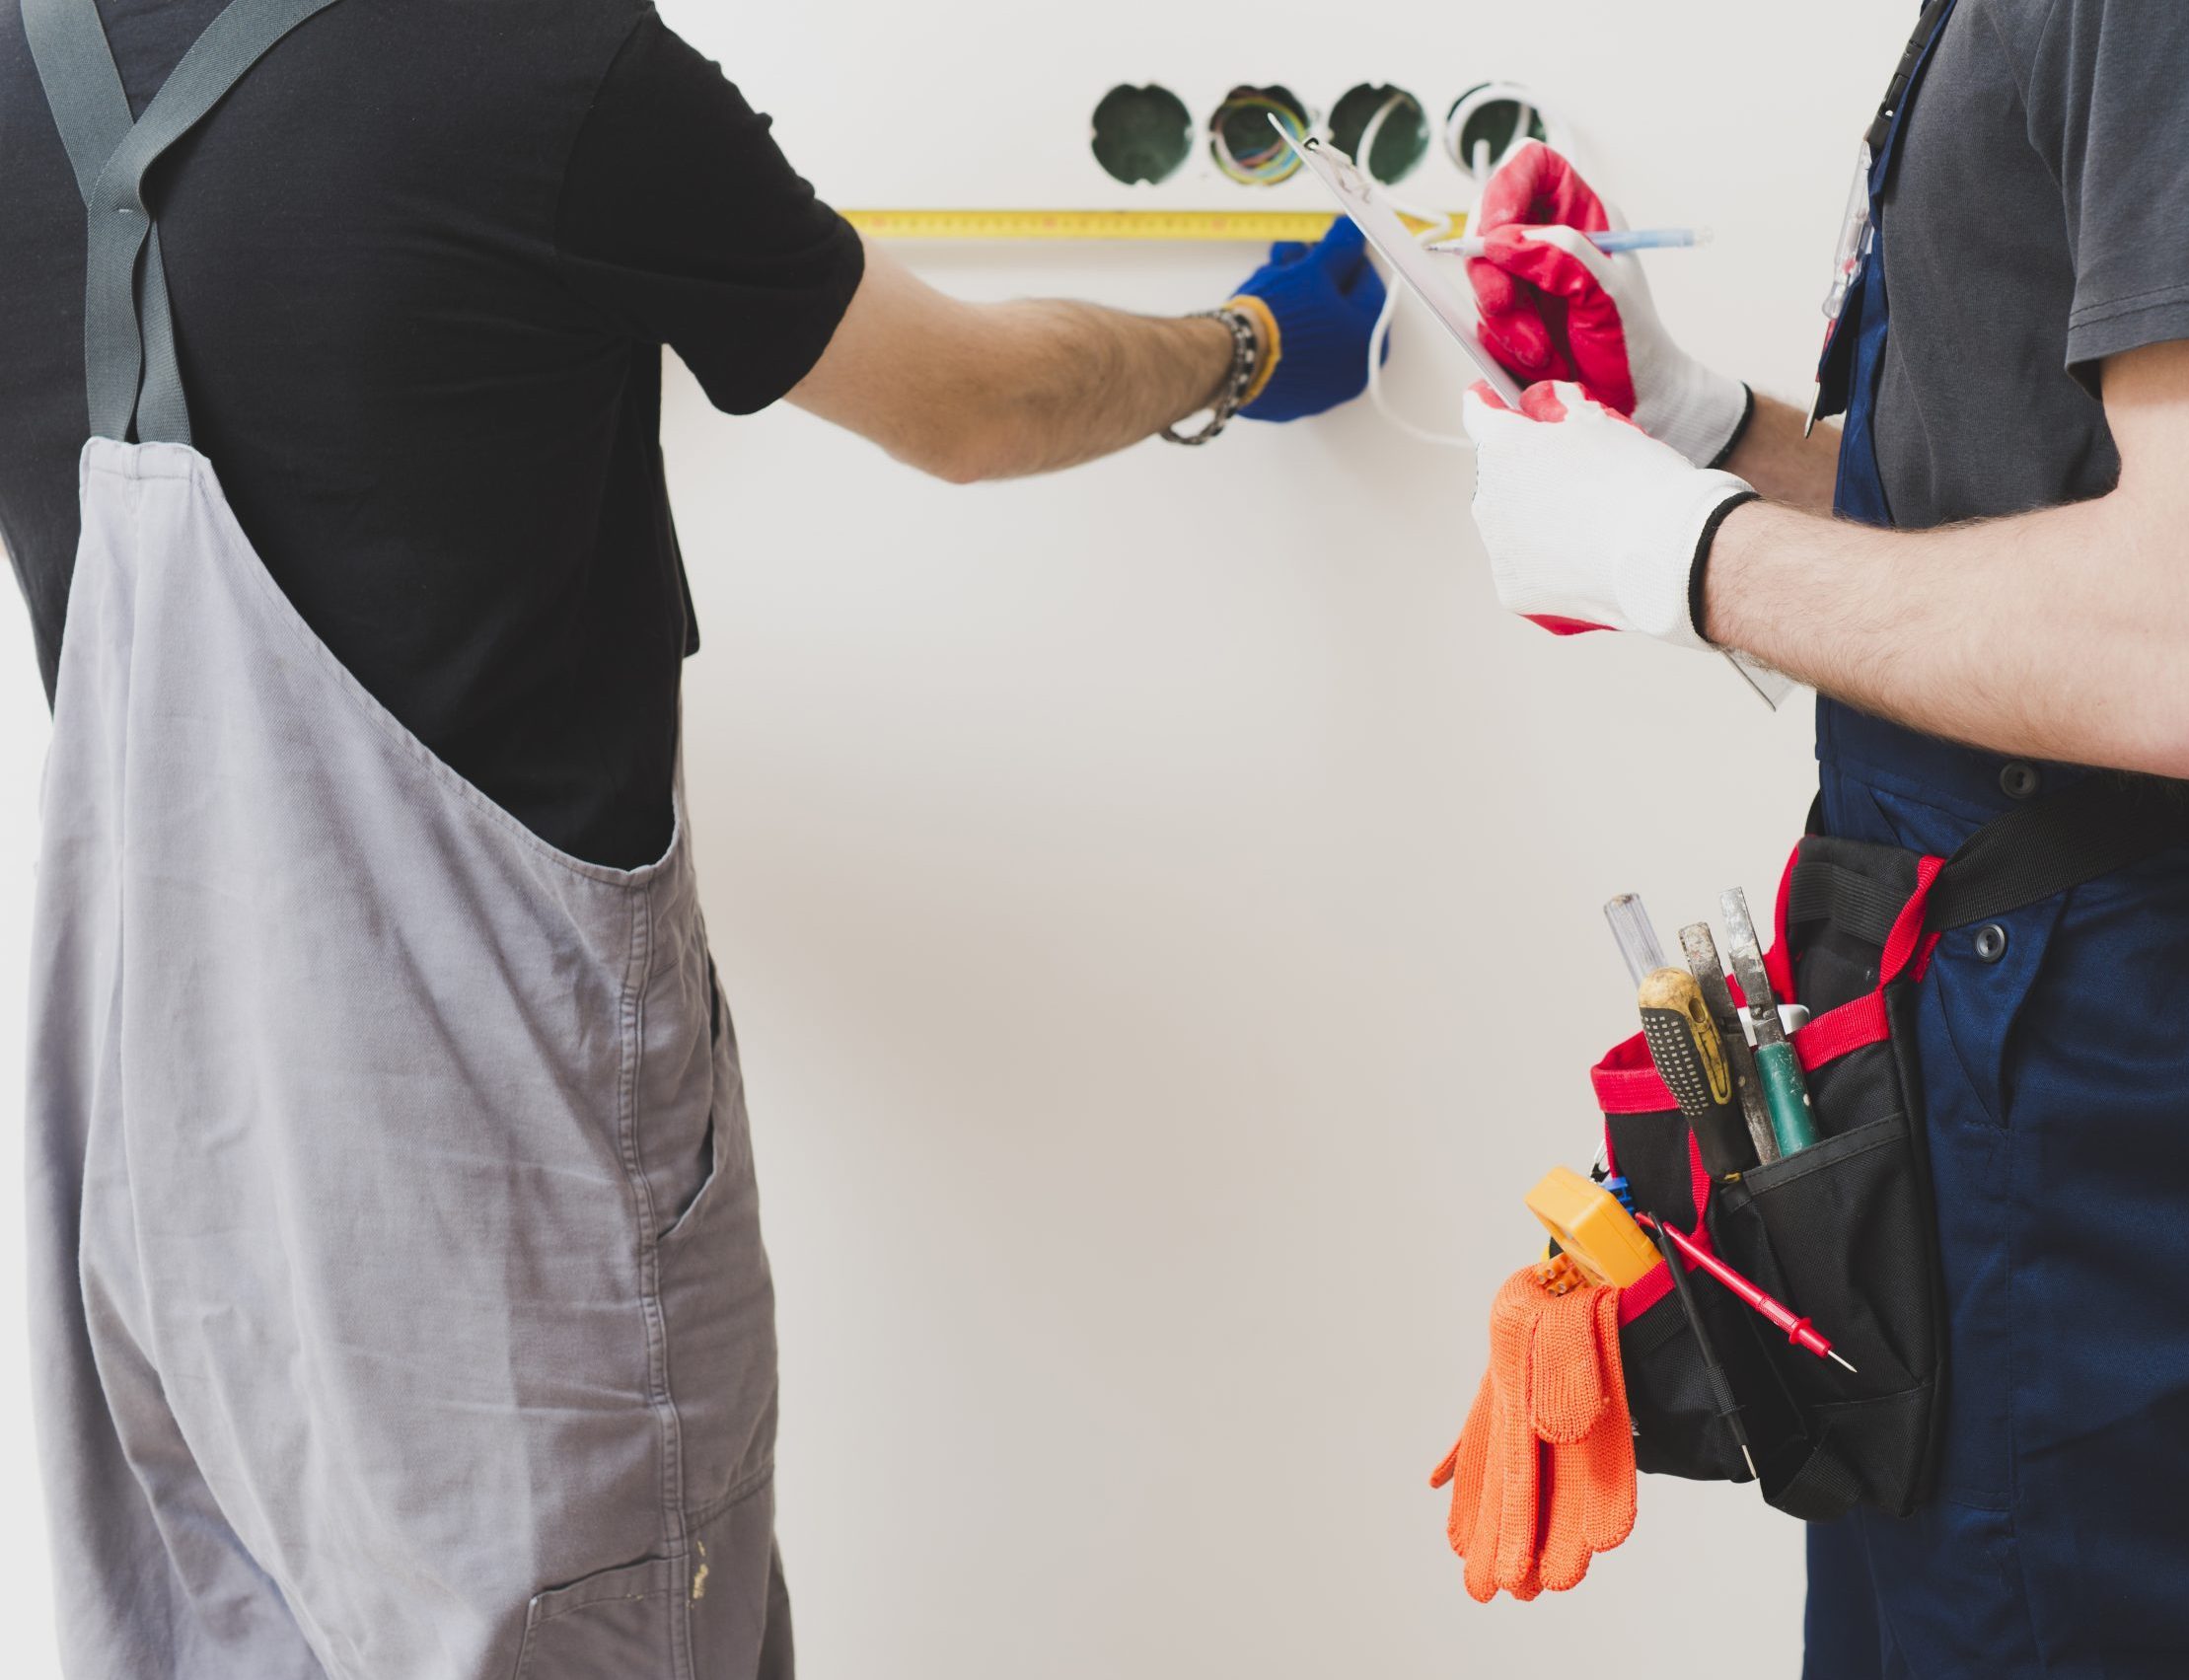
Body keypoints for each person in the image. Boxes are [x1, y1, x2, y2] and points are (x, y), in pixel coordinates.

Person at [0, 1, 1382, 1676]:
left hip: (153, 1181)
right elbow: (978, 405)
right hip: (501, 1210)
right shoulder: (532, 62)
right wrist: (1240, 344)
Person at [1457, 1, 2189, 1674]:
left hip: (2072, 1017)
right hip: (1960, 980)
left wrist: (1683, 551)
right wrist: (1703, 435)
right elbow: (2024, 519)